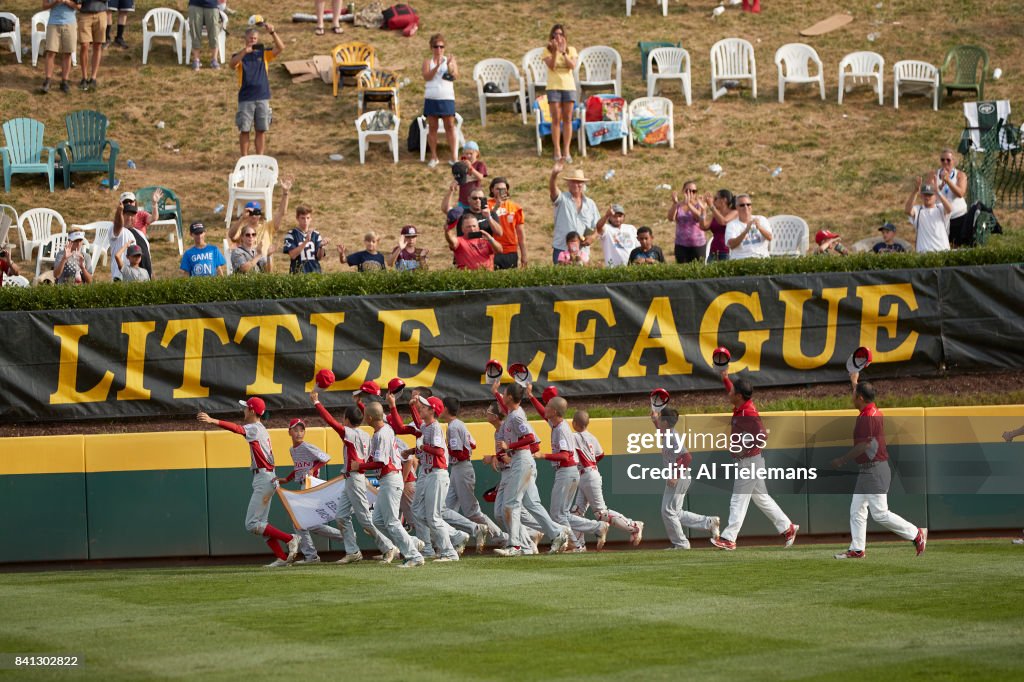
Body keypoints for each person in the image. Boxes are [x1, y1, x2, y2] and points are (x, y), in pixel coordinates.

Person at [831, 375, 928, 559]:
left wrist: (842, 459)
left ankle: (916, 534)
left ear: (860, 398)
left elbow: (863, 446)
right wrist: (855, 381)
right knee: (857, 509)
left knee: (880, 514)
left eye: (854, 394)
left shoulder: (869, 417)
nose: (851, 396)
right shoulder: (871, 409)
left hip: (874, 470)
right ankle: (857, 549)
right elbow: (861, 394)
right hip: (869, 470)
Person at [197, 397, 300, 568]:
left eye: (245, 408)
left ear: (252, 411)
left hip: (264, 479)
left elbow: (237, 429)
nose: (243, 410)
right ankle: (282, 557)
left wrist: (211, 420)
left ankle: (290, 538)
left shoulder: (255, 429)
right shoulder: (260, 429)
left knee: (251, 524)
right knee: (261, 524)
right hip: (266, 478)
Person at [710, 370, 799, 550]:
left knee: (738, 500)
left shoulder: (748, 412)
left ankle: (729, 538)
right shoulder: (743, 406)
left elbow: (761, 436)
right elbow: (734, 393)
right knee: (762, 499)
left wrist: (744, 450)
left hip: (749, 462)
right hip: (753, 461)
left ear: (739, 396)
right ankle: (787, 527)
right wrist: (725, 379)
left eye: (732, 391)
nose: (729, 393)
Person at [310, 392, 399, 564]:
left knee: (365, 519)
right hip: (352, 478)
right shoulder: (365, 434)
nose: (342, 421)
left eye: (344, 418)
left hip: (356, 478)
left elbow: (331, 422)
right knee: (341, 516)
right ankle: (353, 551)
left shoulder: (350, 434)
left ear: (347, 419)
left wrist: (317, 403)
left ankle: (389, 547)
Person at [494, 383, 572, 557]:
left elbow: (529, 438)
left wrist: (509, 446)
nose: (502, 395)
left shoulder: (516, 417)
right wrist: (495, 393)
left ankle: (515, 545)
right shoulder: (512, 414)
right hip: (521, 460)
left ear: (510, 397)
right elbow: (507, 410)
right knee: (532, 504)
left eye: (504, 393)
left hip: (522, 460)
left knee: (511, 504)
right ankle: (557, 533)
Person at [358, 401, 426, 568]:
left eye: (365, 416)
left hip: (390, 478)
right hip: (388, 479)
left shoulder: (381, 434)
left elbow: (380, 462)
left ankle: (414, 556)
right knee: (378, 520)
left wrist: (359, 466)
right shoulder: (387, 429)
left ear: (370, 417)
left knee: (392, 522)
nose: (364, 419)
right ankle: (412, 542)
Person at [537, 397, 609, 552]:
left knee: (558, 514)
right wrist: (530, 396)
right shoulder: (557, 424)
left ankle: (577, 544)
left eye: (547, 406)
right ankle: (597, 527)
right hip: (569, 473)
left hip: (566, 472)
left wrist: (543, 455)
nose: (545, 408)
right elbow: (543, 414)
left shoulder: (562, 430)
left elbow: (564, 455)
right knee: (562, 514)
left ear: (554, 411)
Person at [570, 410, 645, 548]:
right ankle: (579, 546)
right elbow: (600, 454)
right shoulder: (592, 436)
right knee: (576, 512)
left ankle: (635, 526)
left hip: (588, 475)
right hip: (588, 474)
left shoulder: (573, 436)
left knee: (601, 513)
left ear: (574, 423)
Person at [277, 418, 345, 565]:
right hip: (304, 486)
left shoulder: (306, 446)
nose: (299, 433)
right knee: (307, 523)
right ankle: (344, 536)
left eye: (302, 430)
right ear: (289, 432)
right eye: (295, 430)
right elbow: (298, 469)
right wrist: (286, 479)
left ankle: (312, 556)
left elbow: (326, 457)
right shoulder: (292, 450)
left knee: (299, 522)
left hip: (311, 487)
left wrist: (314, 469)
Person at [442, 396, 508, 547]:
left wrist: (443, 449)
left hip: (462, 468)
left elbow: (462, 454)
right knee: (444, 510)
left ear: (445, 409)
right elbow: (473, 444)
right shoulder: (458, 424)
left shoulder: (453, 427)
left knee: (472, 512)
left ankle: (501, 537)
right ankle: (450, 543)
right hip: (458, 469)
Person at [653, 407, 720, 550]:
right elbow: (661, 430)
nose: (658, 419)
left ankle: (681, 544)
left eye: (660, 418)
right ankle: (709, 522)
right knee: (675, 512)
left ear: (665, 422)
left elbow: (687, 457)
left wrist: (675, 476)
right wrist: (654, 420)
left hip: (679, 476)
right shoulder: (668, 432)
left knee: (667, 511)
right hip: (680, 476)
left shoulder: (672, 436)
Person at [230, 22, 285, 156]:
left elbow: (281, 48)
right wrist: (244, 52)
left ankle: (260, 157)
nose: (253, 41)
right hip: (246, 98)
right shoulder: (240, 55)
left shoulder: (264, 54)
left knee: (261, 129)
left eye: (255, 38)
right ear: (246, 39)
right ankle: (244, 158)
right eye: (250, 38)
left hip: (262, 96)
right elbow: (232, 64)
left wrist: (273, 32)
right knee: (244, 130)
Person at [549, 161, 599, 264]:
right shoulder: (562, 198)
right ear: (568, 183)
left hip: (582, 251)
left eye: (579, 182)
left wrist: (592, 238)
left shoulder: (590, 204)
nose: (577, 184)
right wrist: (554, 175)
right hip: (562, 249)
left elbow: (598, 227)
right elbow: (553, 191)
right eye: (574, 181)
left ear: (583, 184)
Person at [542, 24, 578, 163]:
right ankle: (557, 150)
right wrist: (556, 52)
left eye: (561, 34)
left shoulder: (571, 50)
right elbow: (552, 66)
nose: (558, 37)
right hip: (554, 86)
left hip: (568, 86)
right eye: (555, 34)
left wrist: (563, 52)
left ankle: (566, 150)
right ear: (551, 37)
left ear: (564, 36)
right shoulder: (546, 51)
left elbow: (572, 66)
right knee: (556, 118)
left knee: (568, 118)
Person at [421, 33, 458, 169]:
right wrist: (437, 67)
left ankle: (454, 157)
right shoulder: (427, 62)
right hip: (431, 97)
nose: (439, 49)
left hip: (447, 97)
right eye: (436, 46)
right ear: (431, 48)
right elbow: (427, 76)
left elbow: (454, 75)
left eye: (441, 47)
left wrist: (449, 66)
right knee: (432, 127)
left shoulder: (450, 60)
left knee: (449, 126)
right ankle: (434, 156)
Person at [905, 175, 952, 253]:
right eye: (925, 194)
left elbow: (949, 209)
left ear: (935, 196)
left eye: (930, 195)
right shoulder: (918, 210)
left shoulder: (940, 208)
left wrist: (938, 192)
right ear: (921, 196)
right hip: (923, 253)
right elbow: (907, 210)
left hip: (942, 251)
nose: (927, 197)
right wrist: (915, 191)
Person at [41, 0, 79, 95]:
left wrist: (66, 1)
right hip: (53, 23)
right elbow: (44, 6)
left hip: (70, 23)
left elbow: (79, 6)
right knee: (50, 52)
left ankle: (64, 81)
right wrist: (56, 2)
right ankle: (48, 80)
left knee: (67, 53)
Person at [488, 177, 527, 269]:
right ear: (492, 189)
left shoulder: (515, 207)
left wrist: (524, 255)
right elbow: (484, 222)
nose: (501, 191)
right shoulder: (486, 205)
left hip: (510, 251)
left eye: (504, 189)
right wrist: (496, 207)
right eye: (498, 189)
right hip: (491, 250)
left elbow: (521, 234)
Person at [669, 181, 708, 263]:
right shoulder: (679, 205)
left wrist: (689, 205)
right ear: (683, 191)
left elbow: (698, 217)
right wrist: (675, 203)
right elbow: (671, 218)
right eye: (687, 190)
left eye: (693, 191)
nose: (690, 193)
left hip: (698, 244)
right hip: (681, 244)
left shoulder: (699, 204)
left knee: (699, 270)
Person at [283, 204, 328, 274]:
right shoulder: (291, 234)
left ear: (311, 219)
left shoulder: (316, 234)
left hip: (315, 273)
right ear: (297, 218)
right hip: (298, 274)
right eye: (303, 218)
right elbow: (292, 255)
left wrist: (321, 247)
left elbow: (319, 258)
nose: (305, 221)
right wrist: (306, 242)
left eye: (308, 218)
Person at [725, 193, 772, 259]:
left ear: (751, 206)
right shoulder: (732, 224)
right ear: (737, 207)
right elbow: (731, 245)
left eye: (748, 204)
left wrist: (760, 227)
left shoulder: (761, 219)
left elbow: (770, 237)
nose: (746, 207)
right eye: (742, 205)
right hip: (740, 260)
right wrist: (745, 231)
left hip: (762, 258)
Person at [937, 148, 969, 243]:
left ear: (953, 161)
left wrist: (948, 181)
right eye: (942, 160)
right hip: (941, 217)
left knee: (957, 245)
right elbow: (930, 192)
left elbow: (960, 193)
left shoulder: (960, 175)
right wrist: (941, 185)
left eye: (948, 160)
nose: (945, 162)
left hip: (958, 217)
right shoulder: (934, 175)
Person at [78, 0, 107, 91]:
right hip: (84, 14)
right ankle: (84, 77)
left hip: (101, 14)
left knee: (98, 45)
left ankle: (93, 77)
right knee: (84, 45)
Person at [701, 189, 737, 261]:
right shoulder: (716, 214)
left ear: (724, 200)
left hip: (727, 252)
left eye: (715, 198)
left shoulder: (734, 212)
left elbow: (723, 221)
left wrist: (711, 206)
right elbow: (704, 226)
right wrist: (703, 210)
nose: (713, 201)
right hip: (713, 252)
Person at [189, 0, 223, 70]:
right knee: (195, 33)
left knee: (214, 33)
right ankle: (196, 60)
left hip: (212, 5)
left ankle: (214, 60)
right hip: (195, 4)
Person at [456, 142, 487, 207]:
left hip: (476, 199)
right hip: (463, 199)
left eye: (471, 153)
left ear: (477, 154)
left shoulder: (480, 164)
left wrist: (470, 167)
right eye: (466, 154)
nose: (468, 156)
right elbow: (458, 178)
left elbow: (480, 177)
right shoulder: (462, 165)